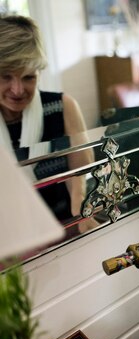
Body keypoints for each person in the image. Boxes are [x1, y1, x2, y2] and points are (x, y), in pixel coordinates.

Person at [0, 14, 96, 234]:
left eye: (28, 77)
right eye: (5, 76)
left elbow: (80, 171)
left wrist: (80, 209)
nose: (17, 89)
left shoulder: (63, 107)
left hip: (62, 227)